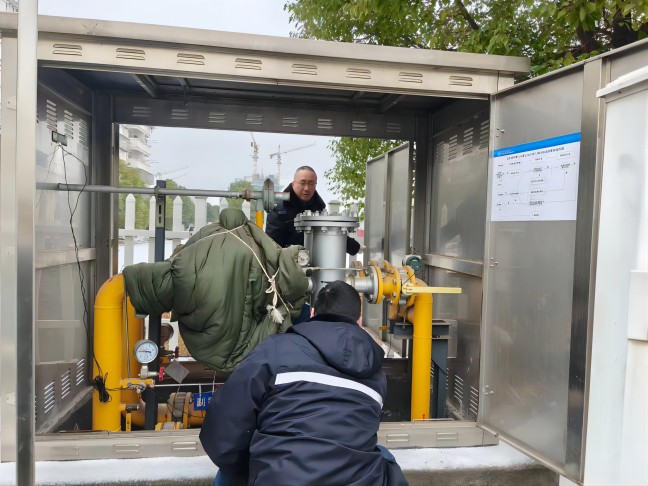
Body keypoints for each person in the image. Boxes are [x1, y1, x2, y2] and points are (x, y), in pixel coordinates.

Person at [199, 280, 408, 486]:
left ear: (313, 313)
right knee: (383, 455)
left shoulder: (276, 351)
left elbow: (224, 425)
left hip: (281, 476)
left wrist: (247, 464)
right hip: (360, 479)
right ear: (359, 321)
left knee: (228, 474)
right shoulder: (376, 374)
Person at [265, 166, 361, 255]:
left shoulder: (319, 208)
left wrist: (352, 246)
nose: (307, 188)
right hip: (287, 264)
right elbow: (272, 247)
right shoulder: (279, 210)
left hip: (316, 264)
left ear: (315, 185)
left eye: (311, 183)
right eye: (302, 183)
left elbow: (328, 233)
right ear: (293, 184)